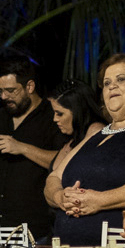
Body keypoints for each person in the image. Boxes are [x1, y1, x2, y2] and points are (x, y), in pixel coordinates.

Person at [47, 54, 125, 248]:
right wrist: (60, 197)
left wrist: (100, 200)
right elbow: (53, 178)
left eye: (121, 79)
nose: (112, 86)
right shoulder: (96, 133)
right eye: (107, 83)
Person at [0, 57, 68, 239]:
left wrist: (22, 148)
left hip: (33, 229)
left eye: (10, 90)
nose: (4, 97)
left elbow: (65, 161)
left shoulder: (52, 117)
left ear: (30, 87)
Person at [43, 81, 106, 218]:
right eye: (54, 113)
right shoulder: (70, 139)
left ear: (78, 111)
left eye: (60, 114)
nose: (54, 119)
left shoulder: (96, 131)